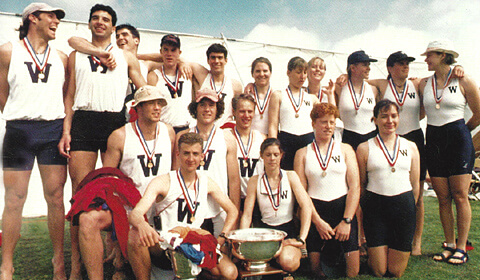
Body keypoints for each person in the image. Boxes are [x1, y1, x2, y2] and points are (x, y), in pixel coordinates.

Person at [57, 4, 146, 278]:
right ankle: (76, 265)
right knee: (80, 196)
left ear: (113, 27)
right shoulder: (76, 54)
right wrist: (66, 130)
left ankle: (118, 257)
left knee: (114, 194)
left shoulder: (126, 56)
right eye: (95, 18)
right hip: (84, 121)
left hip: (113, 123)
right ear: (89, 24)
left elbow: (142, 89)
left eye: (105, 19)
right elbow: (69, 96)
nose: (99, 23)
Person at [67, 85, 174, 280]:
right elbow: (108, 179)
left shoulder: (169, 132)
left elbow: (175, 175)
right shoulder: (120, 136)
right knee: (87, 220)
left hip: (161, 209)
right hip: (130, 207)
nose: (157, 107)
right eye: (151, 103)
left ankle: (130, 264)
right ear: (137, 108)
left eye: (160, 103)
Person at [0, 3, 67, 279]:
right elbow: (2, 93)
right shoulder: (7, 51)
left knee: (56, 198)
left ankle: (59, 262)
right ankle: (6, 265)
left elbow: (64, 96)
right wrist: (20, 117)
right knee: (14, 200)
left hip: (52, 131)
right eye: (51, 16)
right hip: (19, 131)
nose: (56, 22)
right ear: (33, 18)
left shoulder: (62, 57)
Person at [127, 132, 239, 280]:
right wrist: (143, 225)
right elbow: (135, 214)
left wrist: (222, 238)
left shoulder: (207, 182)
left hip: (193, 245)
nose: (191, 159)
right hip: (165, 246)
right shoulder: (163, 181)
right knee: (135, 234)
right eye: (186, 153)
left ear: (202, 156)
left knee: (230, 273)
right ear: (178, 154)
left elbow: (232, 210)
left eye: (195, 154)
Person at [418, 40, 480, 265]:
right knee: (443, 197)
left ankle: (462, 248)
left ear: (443, 56)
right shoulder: (424, 83)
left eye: (429, 55)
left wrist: (464, 132)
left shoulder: (464, 79)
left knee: (461, 195)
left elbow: (478, 113)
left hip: (458, 139)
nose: (425, 59)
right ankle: (449, 244)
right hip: (433, 140)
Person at [294, 103, 360, 278]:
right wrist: (317, 222)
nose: (328, 126)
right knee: (318, 273)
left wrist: (346, 221)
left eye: (332, 122)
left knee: (352, 273)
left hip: (342, 212)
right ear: (313, 123)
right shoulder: (302, 153)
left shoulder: (346, 150)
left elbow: (354, 187)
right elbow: (302, 195)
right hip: (316, 213)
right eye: (323, 122)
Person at [356, 99, 420, 277]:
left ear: (399, 118)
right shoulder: (363, 148)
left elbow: (415, 185)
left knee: (395, 271)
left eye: (393, 116)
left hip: (403, 207)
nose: (389, 121)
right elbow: (361, 185)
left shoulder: (411, 147)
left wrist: (407, 209)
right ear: (375, 120)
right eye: (384, 117)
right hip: (376, 208)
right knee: (379, 271)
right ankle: (372, 254)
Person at [240, 138, 312, 273]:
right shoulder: (254, 181)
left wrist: (301, 238)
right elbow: (247, 214)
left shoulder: (291, 176)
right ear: (261, 156)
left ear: (281, 155)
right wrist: (242, 240)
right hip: (265, 233)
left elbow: (306, 206)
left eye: (276, 155)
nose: (272, 158)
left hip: (288, 232)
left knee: (287, 262)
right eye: (268, 155)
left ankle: (290, 257)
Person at [176, 88, 240, 236]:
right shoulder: (183, 136)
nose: (207, 109)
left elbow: (234, 180)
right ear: (195, 108)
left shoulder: (227, 138)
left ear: (217, 109)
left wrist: (234, 215)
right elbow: (175, 174)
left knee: (221, 253)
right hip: (191, 205)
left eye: (211, 105)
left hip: (220, 207)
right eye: (202, 105)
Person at [268, 56, 320, 170]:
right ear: (288, 72)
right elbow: (273, 125)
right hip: (286, 141)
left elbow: (324, 120)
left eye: (305, 73)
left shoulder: (312, 99)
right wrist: (273, 148)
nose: (302, 76)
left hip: (307, 141)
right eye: (298, 72)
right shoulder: (278, 95)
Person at [147, 34, 195, 133]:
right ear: (161, 52)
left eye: (173, 50)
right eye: (166, 50)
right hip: (163, 129)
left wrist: (183, 63)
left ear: (179, 53)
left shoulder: (188, 71)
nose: (169, 54)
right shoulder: (153, 76)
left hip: (185, 128)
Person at [335, 50, 379, 151]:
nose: (369, 68)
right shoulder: (339, 87)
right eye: (364, 65)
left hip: (371, 136)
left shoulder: (374, 89)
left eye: (369, 65)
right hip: (348, 136)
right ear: (353, 68)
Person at [228, 94, 266, 206]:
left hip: (257, 199)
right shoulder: (226, 137)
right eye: (242, 111)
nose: (246, 115)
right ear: (234, 112)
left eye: (250, 111)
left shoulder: (262, 138)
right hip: (232, 197)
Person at [243, 57, 279, 135]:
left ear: (270, 73)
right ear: (252, 74)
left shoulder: (277, 95)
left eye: (265, 71)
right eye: (258, 71)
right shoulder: (247, 94)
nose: (262, 74)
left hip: (270, 139)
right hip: (251, 140)